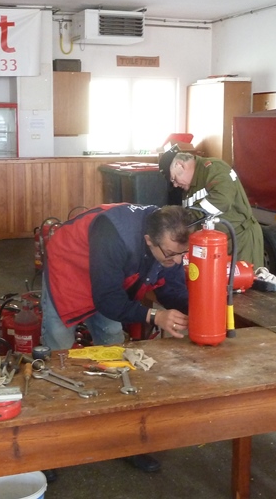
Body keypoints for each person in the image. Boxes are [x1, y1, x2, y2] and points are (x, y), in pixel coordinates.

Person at [40, 203, 192, 474]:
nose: (178, 261)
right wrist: (155, 316)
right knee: (57, 355)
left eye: (183, 253)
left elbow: (171, 286)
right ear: (149, 241)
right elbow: (108, 301)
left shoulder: (168, 235)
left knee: (114, 349)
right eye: (171, 254)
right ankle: (46, 449)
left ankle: (124, 440)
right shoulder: (115, 234)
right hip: (70, 266)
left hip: (109, 273)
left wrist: (197, 311)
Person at [159, 147, 265, 268]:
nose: (175, 185)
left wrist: (187, 218)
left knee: (244, 277)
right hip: (214, 245)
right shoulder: (187, 188)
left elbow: (222, 199)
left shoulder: (214, 168)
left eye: (173, 179)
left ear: (180, 165)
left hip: (240, 240)